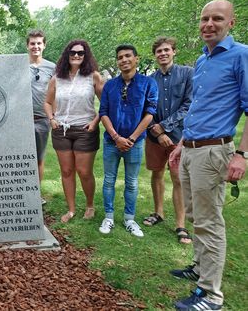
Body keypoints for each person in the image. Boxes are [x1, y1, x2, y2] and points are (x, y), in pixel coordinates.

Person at [169, 0, 248, 310]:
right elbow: (200, 109)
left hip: (214, 151)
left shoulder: (241, 56)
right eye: (204, 19)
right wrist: (180, 144)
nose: (209, 24)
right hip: (190, 149)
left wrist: (241, 154)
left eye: (217, 18)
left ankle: (210, 295)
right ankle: (200, 269)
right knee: (194, 216)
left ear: (232, 22)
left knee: (209, 222)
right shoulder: (202, 61)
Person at [98, 44, 158, 237]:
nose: (124, 60)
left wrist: (130, 139)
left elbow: (150, 113)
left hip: (135, 142)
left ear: (136, 59)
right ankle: (108, 217)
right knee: (109, 180)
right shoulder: (109, 85)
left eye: (127, 56)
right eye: (120, 57)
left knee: (131, 182)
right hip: (111, 141)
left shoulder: (148, 83)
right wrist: (116, 137)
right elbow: (103, 112)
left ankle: (129, 219)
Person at [44, 40, 104, 222]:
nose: (76, 55)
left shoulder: (93, 76)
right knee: (67, 171)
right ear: (67, 55)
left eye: (80, 53)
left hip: (85, 129)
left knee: (84, 171)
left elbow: (106, 104)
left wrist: (95, 122)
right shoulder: (57, 78)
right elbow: (47, 102)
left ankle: (90, 205)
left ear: (86, 56)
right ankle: (71, 209)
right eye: (73, 52)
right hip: (61, 130)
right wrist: (52, 119)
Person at [143, 37, 193, 244]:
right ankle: (158, 212)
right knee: (157, 173)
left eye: (166, 50)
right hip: (155, 137)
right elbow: (145, 108)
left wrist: (165, 127)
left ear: (174, 52)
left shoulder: (187, 74)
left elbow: (190, 104)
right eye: (158, 51)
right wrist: (158, 132)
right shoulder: (150, 80)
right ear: (155, 56)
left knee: (178, 178)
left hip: (179, 137)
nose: (162, 54)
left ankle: (181, 224)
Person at [27, 30, 55, 204]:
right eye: (32, 43)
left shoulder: (52, 68)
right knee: (20, 158)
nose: (35, 46)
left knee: (39, 158)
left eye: (39, 43)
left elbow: (57, 93)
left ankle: (36, 195)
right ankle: (22, 193)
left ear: (44, 45)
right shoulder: (19, 65)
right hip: (21, 120)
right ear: (27, 45)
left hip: (42, 120)